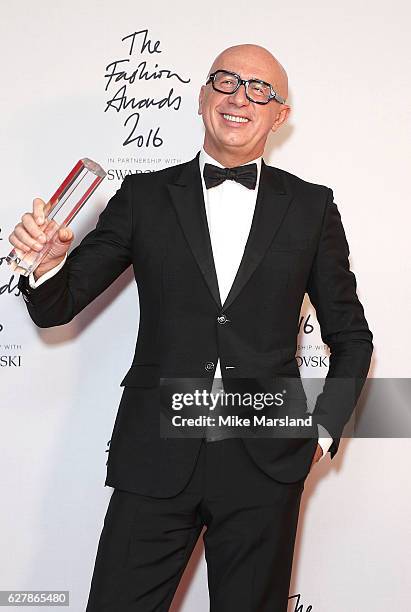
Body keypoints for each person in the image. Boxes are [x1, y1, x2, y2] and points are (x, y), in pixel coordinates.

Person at [10, 44, 373, 611]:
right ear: (203, 95)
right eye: (225, 81)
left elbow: (351, 335)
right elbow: (56, 307)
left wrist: (322, 430)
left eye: (260, 90)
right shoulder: (143, 196)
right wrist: (49, 261)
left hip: (265, 462)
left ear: (280, 116)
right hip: (155, 453)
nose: (239, 97)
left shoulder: (311, 207)